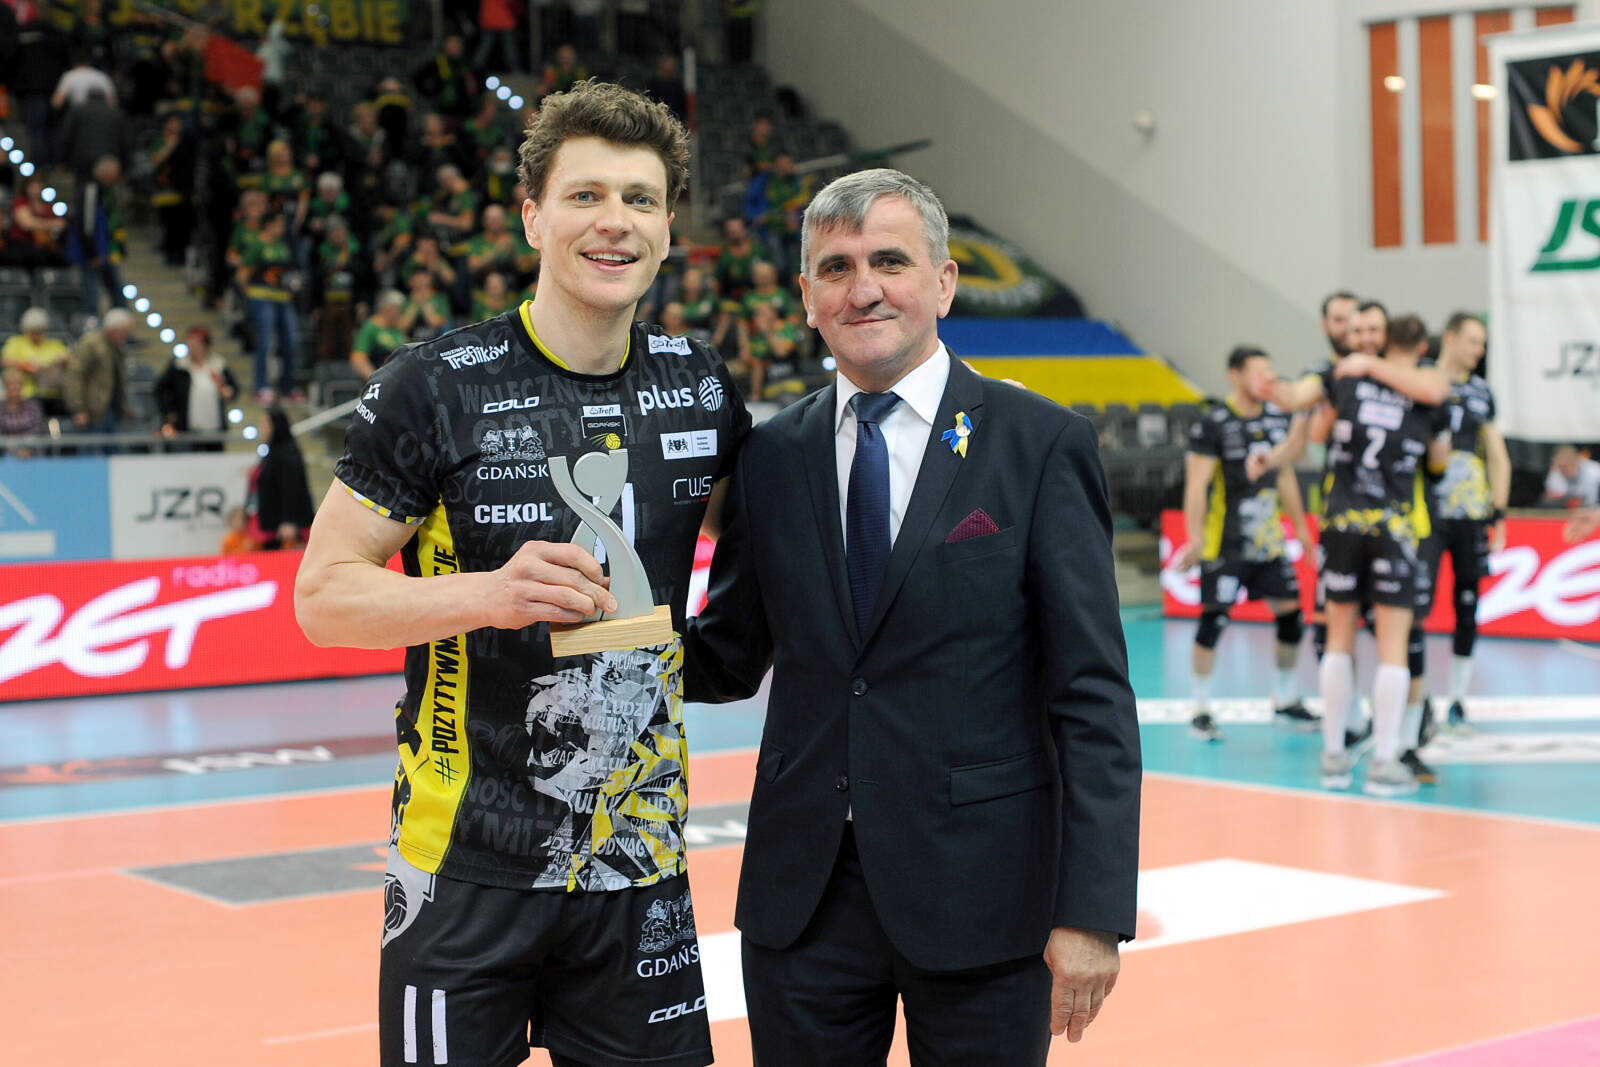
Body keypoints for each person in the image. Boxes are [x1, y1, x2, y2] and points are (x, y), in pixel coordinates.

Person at [294, 80, 748, 1067]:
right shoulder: (433, 385)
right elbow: (322, 595)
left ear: (669, 226)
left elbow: (776, 540)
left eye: (639, 198)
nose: (614, 220)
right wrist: (489, 594)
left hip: (637, 863)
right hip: (462, 871)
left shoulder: (700, 384)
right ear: (534, 216)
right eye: (586, 195)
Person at [683, 168, 1141, 1064]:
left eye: (889, 261)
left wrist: (1091, 910)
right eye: (836, 268)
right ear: (806, 296)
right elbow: (728, 654)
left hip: (987, 896)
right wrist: (596, 617)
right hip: (803, 901)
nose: (864, 289)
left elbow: (1092, 695)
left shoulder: (1039, 442)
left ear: (944, 281)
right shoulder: (771, 456)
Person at [1268, 314, 1450, 797]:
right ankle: (1384, 763)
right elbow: (1439, 462)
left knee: (1338, 640)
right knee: (1394, 647)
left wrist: (1279, 389)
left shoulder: (1346, 380)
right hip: (1394, 525)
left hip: (1341, 523)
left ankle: (1333, 758)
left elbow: (1314, 428)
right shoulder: (1428, 392)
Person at [1172, 346, 1316, 741]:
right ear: (1235, 375)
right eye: (1258, 372)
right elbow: (1197, 484)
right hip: (1225, 541)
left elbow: (1285, 475)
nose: (1267, 379)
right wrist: (1195, 536)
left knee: (1291, 617)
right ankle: (1200, 708)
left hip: (1268, 542)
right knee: (1214, 619)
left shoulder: (1277, 418)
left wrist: (1300, 527)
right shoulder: (1214, 423)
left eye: (1270, 372)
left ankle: (1285, 699)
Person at [1429, 313, 1509, 737]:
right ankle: (1414, 698)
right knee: (1410, 606)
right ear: (1451, 338)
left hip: (1469, 514)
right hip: (1426, 512)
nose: (1479, 351)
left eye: (1483, 343)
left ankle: (1457, 700)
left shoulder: (1481, 392)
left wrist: (1498, 513)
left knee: (1466, 605)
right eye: (1473, 341)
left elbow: (1497, 455)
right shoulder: (1422, 379)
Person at [154, 326, 237, 449]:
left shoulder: (218, 364)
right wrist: (169, 411)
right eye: (190, 344)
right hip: (187, 427)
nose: (192, 348)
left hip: (213, 427)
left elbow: (233, 390)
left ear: (205, 346)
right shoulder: (179, 365)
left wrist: (222, 387)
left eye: (196, 345)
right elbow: (160, 389)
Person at [64, 307, 136, 438]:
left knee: (113, 447)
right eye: (124, 333)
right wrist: (79, 409)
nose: (126, 337)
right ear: (113, 330)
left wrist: (123, 405)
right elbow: (75, 375)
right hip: (92, 411)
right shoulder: (91, 344)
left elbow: (117, 378)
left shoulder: (116, 348)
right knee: (91, 447)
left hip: (111, 409)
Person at [249, 407, 315, 548]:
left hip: (286, 530)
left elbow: (291, 488)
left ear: (276, 425)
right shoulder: (271, 452)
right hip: (273, 527)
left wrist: (289, 520)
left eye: (265, 423)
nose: (262, 428)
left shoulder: (287, 452)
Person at [1, 307, 71, 417]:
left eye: (40, 332)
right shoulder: (16, 343)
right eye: (33, 332)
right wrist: (26, 366)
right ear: (26, 330)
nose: (36, 335)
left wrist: (59, 361)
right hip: (27, 394)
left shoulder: (54, 344)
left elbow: (70, 357)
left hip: (53, 393)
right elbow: (5, 361)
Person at [0, 365, 48, 452]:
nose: (15, 387)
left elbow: (38, 430)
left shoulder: (33, 406)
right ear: (5, 387)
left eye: (18, 384)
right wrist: (13, 448)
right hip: (6, 452)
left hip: (32, 451)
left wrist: (27, 448)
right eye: (11, 384)